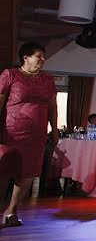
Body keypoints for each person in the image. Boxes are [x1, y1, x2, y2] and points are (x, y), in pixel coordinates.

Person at [0, 42, 58, 228]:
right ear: (26, 57)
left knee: (28, 173)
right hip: (10, 133)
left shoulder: (48, 80)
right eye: (38, 55)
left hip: (36, 135)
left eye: (43, 56)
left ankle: (11, 212)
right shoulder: (10, 75)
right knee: (4, 171)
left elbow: (52, 107)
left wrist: (54, 129)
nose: (42, 59)